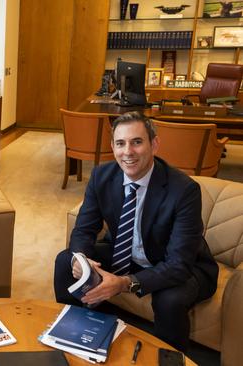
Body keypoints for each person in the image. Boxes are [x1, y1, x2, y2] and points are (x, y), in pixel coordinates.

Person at [53, 112, 218, 352]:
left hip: (182, 266)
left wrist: (124, 283)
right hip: (127, 254)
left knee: (169, 300)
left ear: (154, 144)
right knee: (64, 261)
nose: (127, 152)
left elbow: (179, 264)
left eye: (137, 142)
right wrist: (81, 259)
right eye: (120, 143)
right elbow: (84, 229)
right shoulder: (102, 176)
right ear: (112, 146)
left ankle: (169, 357)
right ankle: (75, 338)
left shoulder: (184, 190)